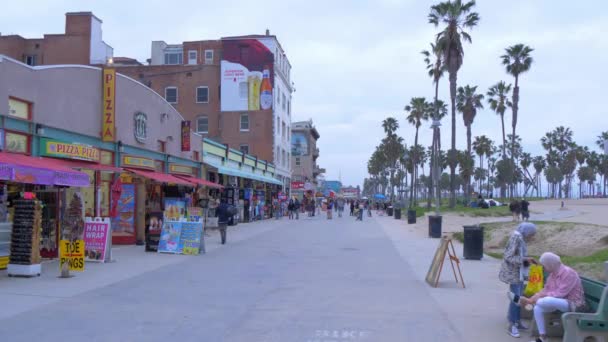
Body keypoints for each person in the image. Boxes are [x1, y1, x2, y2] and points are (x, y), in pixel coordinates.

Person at [510, 252, 585, 342]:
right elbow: (546, 290)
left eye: (544, 265)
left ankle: (528, 302)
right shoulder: (553, 274)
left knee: (544, 300)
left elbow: (560, 293)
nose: (543, 268)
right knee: (538, 308)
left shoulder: (569, 273)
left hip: (573, 304)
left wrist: (536, 298)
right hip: (559, 301)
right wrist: (536, 296)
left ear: (551, 264)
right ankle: (542, 337)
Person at [499, 222, 537, 338]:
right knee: (516, 299)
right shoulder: (516, 238)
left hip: (518, 273)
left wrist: (527, 261)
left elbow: (517, 256)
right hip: (514, 273)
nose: (532, 236)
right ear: (526, 231)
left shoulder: (520, 237)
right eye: (532, 234)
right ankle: (512, 324)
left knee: (518, 298)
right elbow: (508, 256)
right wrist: (525, 259)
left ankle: (516, 321)